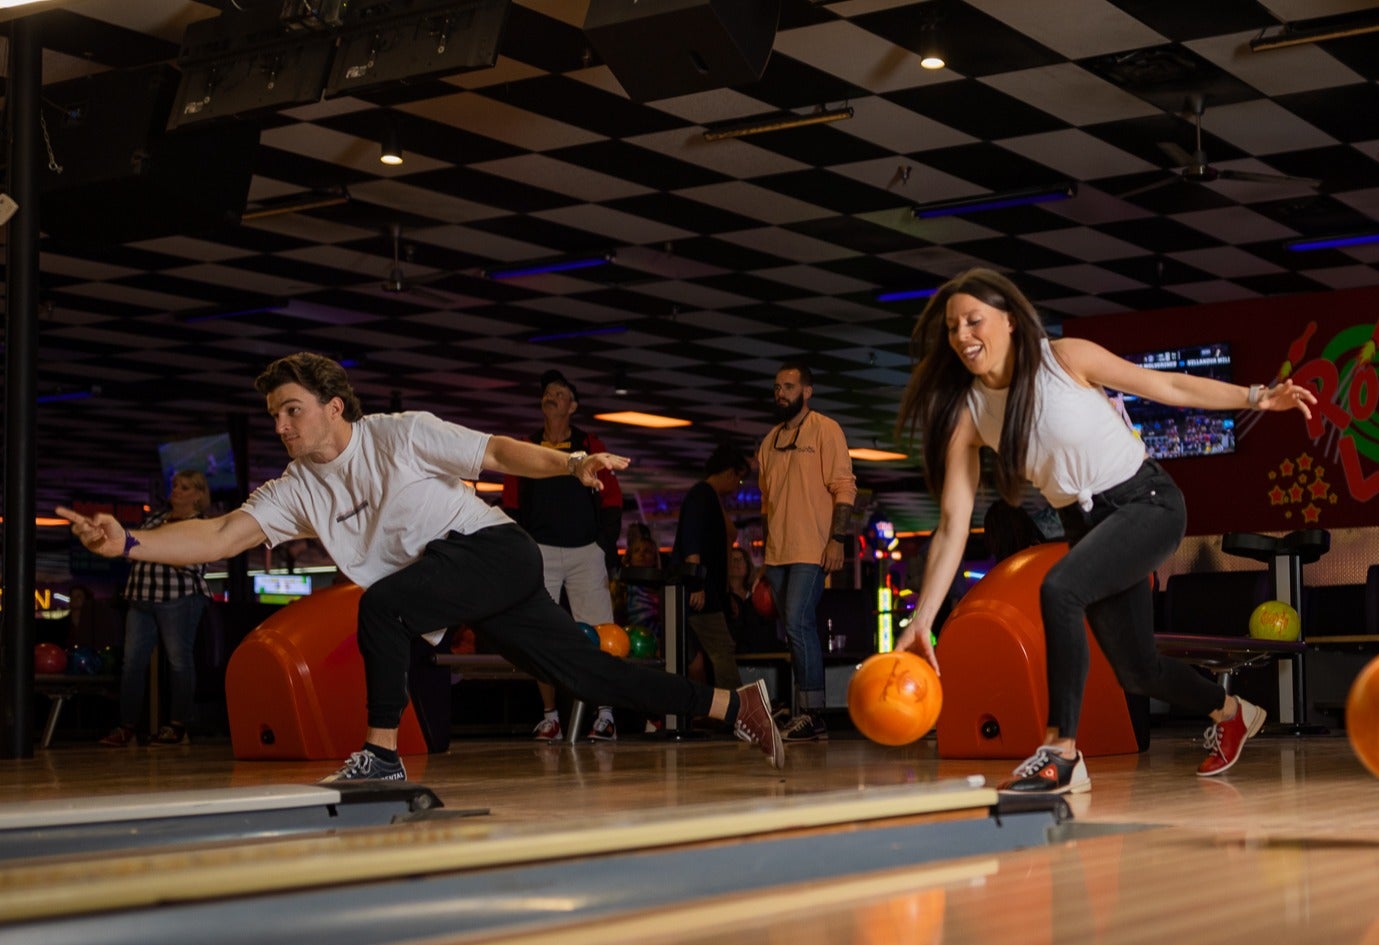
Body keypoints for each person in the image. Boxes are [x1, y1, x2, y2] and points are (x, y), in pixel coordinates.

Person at [58, 352, 782, 781]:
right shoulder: (294, 489)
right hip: (469, 584)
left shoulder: (397, 436)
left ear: (334, 407)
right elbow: (218, 536)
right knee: (585, 675)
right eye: (275, 416)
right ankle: (734, 707)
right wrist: (128, 544)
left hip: (493, 551)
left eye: (291, 411)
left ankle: (380, 756)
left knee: (379, 605)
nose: (280, 426)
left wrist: (570, 461)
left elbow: (497, 452)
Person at [894, 268, 1315, 794]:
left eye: (973, 321)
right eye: (953, 327)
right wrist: (922, 619)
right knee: (1137, 671)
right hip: (1085, 524)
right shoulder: (971, 414)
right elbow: (953, 525)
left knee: (1060, 588)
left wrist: (1255, 397)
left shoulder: (1064, 357)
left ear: (1008, 320)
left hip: (1148, 502)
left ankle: (1062, 753)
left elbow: (1167, 385)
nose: (962, 336)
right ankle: (1233, 712)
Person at [499, 370, 625, 742]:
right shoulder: (528, 447)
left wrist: (603, 543)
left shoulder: (589, 443)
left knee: (602, 632)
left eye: (559, 393)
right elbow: (511, 504)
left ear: (572, 406)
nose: (551, 397)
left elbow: (612, 498)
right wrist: (524, 550)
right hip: (540, 551)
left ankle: (605, 714)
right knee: (541, 632)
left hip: (586, 550)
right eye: (547, 393)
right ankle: (550, 716)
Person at [757, 361, 857, 744]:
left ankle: (813, 714)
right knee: (794, 631)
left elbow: (844, 487)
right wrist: (764, 560)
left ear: (807, 391)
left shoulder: (825, 430)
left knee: (799, 622)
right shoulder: (768, 442)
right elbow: (768, 506)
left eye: (788, 386)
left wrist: (838, 540)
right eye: (777, 386)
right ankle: (802, 710)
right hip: (778, 554)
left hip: (813, 549)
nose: (780, 393)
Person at [99, 469, 212, 748]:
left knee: (178, 660)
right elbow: (132, 550)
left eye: (185, 487)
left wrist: (152, 547)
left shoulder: (200, 524)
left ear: (199, 495)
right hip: (141, 596)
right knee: (131, 663)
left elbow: (192, 561)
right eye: (175, 485)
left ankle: (178, 725)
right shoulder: (156, 518)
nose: (176, 490)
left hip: (178, 598)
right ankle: (127, 726)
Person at [679, 441, 753, 692]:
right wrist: (696, 583)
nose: (737, 487)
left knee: (710, 653)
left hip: (708, 590)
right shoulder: (702, 495)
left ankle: (725, 708)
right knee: (721, 649)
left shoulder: (708, 496)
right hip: (701, 591)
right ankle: (737, 709)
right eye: (739, 480)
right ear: (731, 472)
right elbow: (692, 540)